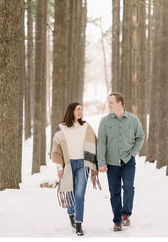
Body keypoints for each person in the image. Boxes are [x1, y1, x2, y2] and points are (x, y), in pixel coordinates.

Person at [51, 102, 101, 236]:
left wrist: (97, 163)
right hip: (68, 164)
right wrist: (59, 167)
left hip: (83, 164)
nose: (80, 112)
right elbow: (56, 150)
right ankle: (71, 213)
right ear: (71, 111)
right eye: (78, 109)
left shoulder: (86, 127)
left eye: (81, 109)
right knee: (70, 192)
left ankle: (78, 223)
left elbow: (96, 144)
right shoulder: (61, 128)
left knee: (79, 194)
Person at [97, 92, 144, 232]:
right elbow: (101, 143)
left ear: (120, 103)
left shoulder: (133, 120)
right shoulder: (105, 121)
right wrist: (101, 162)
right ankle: (117, 221)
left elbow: (140, 137)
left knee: (129, 188)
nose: (109, 104)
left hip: (128, 161)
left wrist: (133, 153)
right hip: (111, 163)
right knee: (114, 192)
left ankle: (126, 215)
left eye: (111, 102)